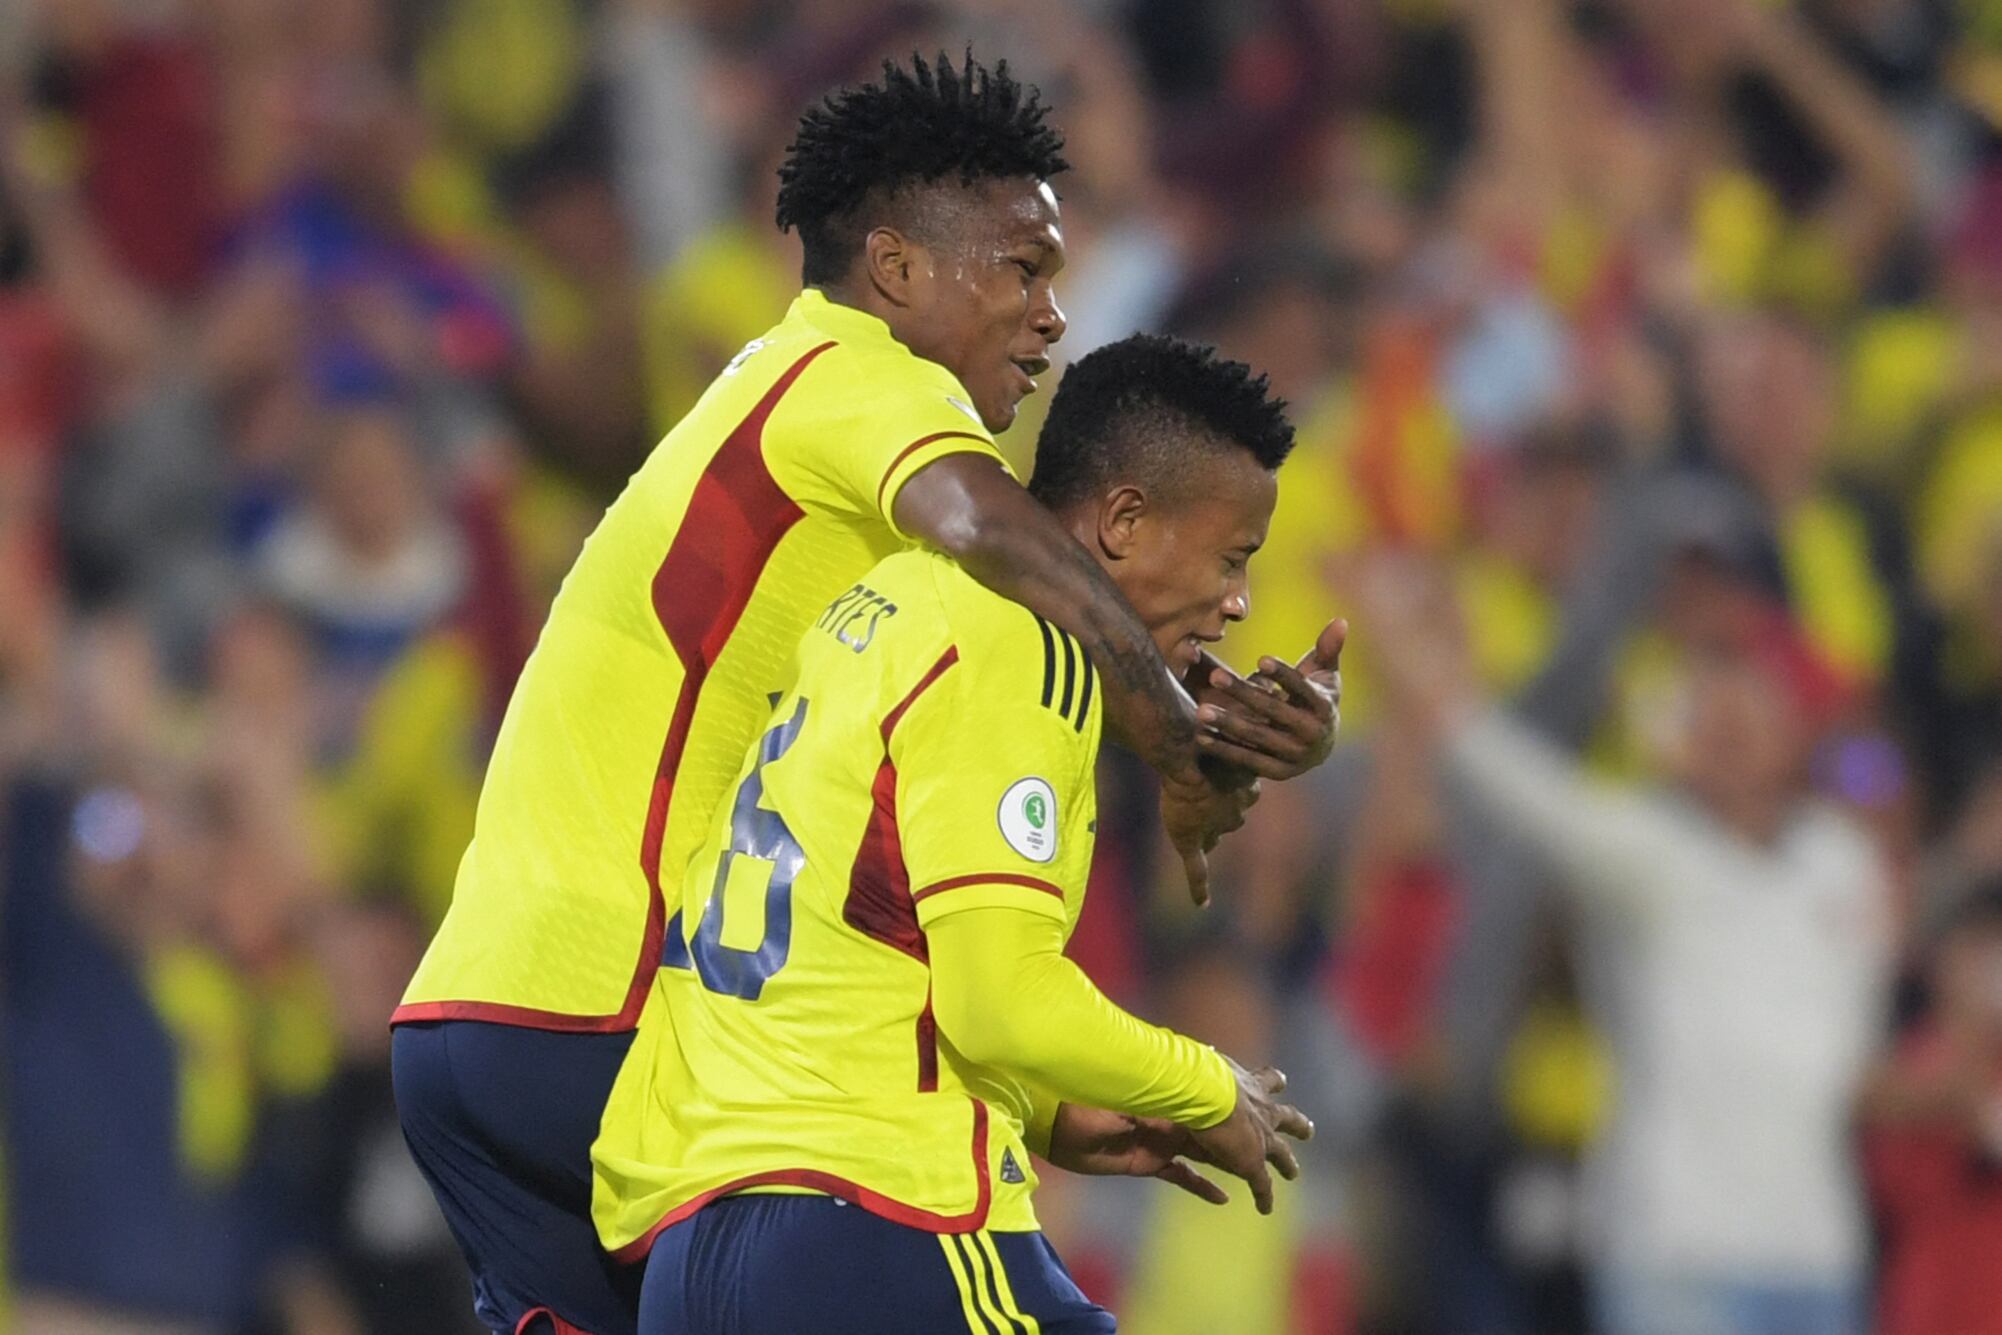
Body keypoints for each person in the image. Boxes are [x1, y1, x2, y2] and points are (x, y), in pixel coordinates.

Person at [391, 52, 1342, 1335]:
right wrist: (1171, 736)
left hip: (472, 1011)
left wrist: (1052, 1107)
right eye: (1023, 269)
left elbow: (846, 883)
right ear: (896, 269)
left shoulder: (791, 446)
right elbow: (993, 529)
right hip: (616, 1000)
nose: (1051, 317)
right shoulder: (863, 387)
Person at [593, 333, 1314, 1335]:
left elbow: (862, 937)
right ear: (1122, 520)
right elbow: (1001, 1003)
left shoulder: (893, 598)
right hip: (880, 1217)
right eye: (1231, 560)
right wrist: (1208, 1084)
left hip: (706, 1244)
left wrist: (1054, 1114)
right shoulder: (1020, 645)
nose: (1237, 602)